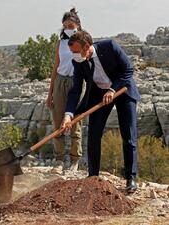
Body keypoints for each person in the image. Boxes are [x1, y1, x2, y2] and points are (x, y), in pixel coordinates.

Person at [62, 30, 140, 192]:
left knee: (128, 135)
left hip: (122, 90)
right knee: (94, 134)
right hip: (99, 94)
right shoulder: (78, 61)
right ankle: (93, 177)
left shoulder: (109, 47)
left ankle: (130, 179)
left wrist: (112, 90)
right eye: (72, 52)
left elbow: (128, 70)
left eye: (76, 51)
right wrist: (68, 115)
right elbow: (76, 89)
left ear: (88, 46)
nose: (74, 55)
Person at [46, 8, 83, 173]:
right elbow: (55, 67)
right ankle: (59, 159)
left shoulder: (83, 41)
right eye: (66, 26)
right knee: (58, 120)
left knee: (75, 121)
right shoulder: (60, 43)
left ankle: (75, 160)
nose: (69, 28)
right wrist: (50, 93)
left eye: (71, 25)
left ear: (77, 25)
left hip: (76, 82)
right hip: (60, 81)